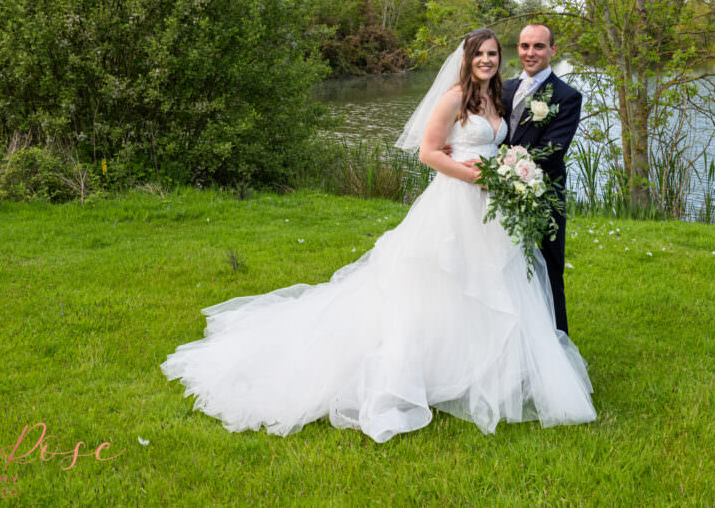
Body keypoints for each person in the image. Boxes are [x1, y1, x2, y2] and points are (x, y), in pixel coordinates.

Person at [161, 29, 595, 443]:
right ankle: (426, 367)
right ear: (466, 59)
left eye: (492, 54)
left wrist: (498, 174)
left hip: (491, 206)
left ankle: (490, 369)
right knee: (442, 280)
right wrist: (473, 174)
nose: (486, 60)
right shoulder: (455, 97)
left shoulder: (495, 98)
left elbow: (503, 144)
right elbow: (428, 151)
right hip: (457, 201)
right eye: (479, 53)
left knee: (494, 282)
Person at [501, 24, 582, 335]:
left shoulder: (567, 96)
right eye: (524, 46)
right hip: (497, 193)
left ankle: (558, 340)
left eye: (538, 46)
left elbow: (552, 151)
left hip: (543, 192)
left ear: (553, 50)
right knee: (504, 267)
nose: (530, 53)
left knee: (549, 267)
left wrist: (504, 170)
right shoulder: (503, 89)